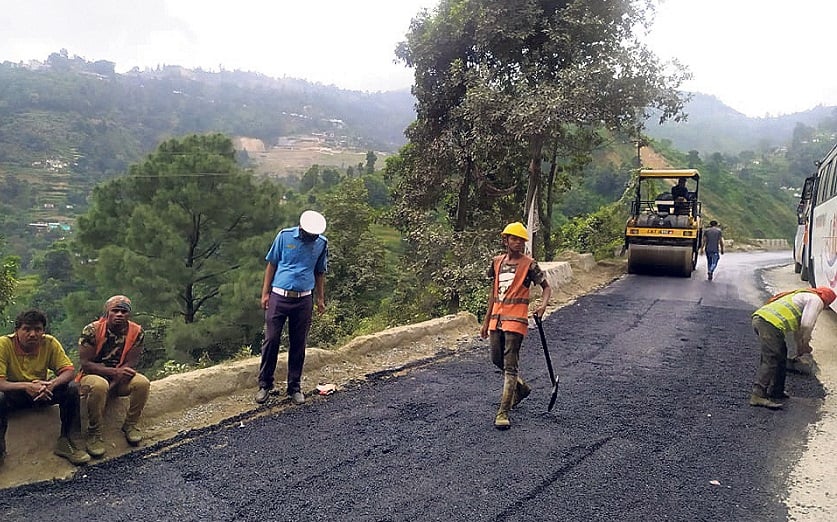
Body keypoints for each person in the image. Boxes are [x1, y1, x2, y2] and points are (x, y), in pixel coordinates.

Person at [480, 222, 552, 430]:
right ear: (505, 241)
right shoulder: (496, 262)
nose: (518, 243)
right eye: (514, 239)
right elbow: (493, 294)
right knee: (496, 359)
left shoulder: (529, 265)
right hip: (497, 319)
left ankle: (503, 412)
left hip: (516, 321)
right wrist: (485, 322)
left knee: (510, 366)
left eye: (521, 240)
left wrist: (543, 305)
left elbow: (546, 288)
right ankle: (521, 388)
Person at [256, 210, 328, 405]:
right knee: (271, 339)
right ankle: (265, 385)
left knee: (299, 343)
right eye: (308, 234)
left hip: (304, 299)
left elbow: (320, 271)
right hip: (279, 296)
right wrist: (265, 293)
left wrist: (320, 299)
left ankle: (294, 387)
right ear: (301, 228)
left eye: (314, 235)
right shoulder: (284, 236)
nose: (311, 237)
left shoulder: (321, 243)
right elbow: (271, 264)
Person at [0, 309, 91, 465]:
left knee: (71, 388)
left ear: (43, 331)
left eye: (38, 329)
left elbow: (68, 371)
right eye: (27, 329)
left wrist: (51, 384)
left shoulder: (49, 343)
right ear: (17, 331)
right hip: (15, 394)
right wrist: (26, 386)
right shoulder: (4, 344)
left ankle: (66, 440)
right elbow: (1, 383)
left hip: (43, 392)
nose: (33, 334)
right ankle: (0, 449)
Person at [78, 295, 150, 456]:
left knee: (142, 383)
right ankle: (94, 432)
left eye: (123, 311)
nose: (119, 314)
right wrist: (114, 373)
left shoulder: (137, 332)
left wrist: (119, 377)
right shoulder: (92, 330)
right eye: (115, 311)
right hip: (93, 374)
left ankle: (130, 424)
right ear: (107, 313)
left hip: (120, 375)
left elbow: (132, 360)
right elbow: (85, 363)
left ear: (128, 314)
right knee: (99, 386)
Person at [749, 286, 836, 409]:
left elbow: (798, 330)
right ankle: (757, 396)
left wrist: (799, 349)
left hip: (763, 319)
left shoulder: (802, 296)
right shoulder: (816, 300)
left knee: (781, 356)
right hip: (768, 323)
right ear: (827, 300)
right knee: (772, 359)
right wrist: (805, 346)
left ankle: (776, 391)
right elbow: (806, 326)